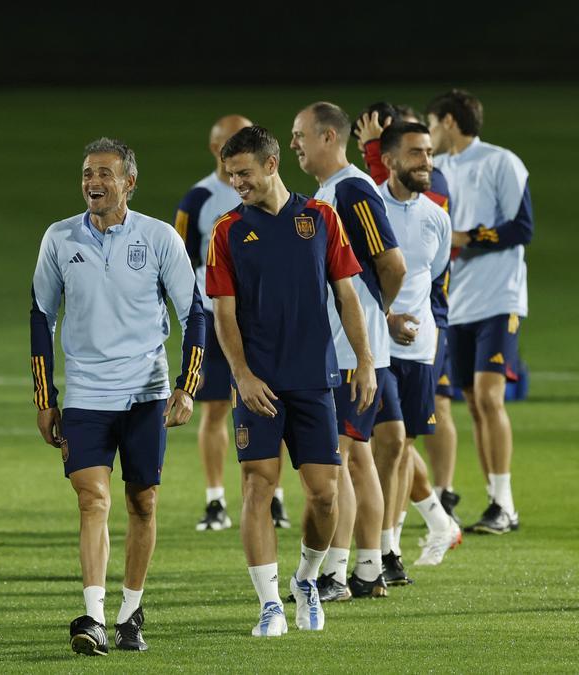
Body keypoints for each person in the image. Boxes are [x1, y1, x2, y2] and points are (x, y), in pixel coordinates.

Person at [31, 138, 204, 655]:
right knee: (93, 499)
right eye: (87, 173)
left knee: (142, 503)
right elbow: (41, 318)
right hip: (85, 394)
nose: (93, 183)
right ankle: (94, 615)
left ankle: (131, 611)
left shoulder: (159, 238)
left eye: (105, 174)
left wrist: (186, 386)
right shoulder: (59, 239)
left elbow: (195, 312)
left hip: (146, 394)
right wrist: (46, 396)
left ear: (129, 182)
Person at [208, 126, 375, 636]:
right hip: (258, 384)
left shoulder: (321, 218)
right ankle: (268, 605)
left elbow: (347, 296)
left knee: (324, 494)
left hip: (313, 379)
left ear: (272, 163)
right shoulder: (227, 230)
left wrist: (364, 360)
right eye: (230, 174)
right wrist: (241, 375)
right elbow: (224, 313)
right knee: (259, 485)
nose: (237, 182)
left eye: (245, 173)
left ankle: (305, 580)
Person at [291, 102, 405, 598]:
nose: (294, 143)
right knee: (357, 457)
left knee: (334, 460)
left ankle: (334, 574)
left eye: (300, 135)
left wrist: (375, 315)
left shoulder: (353, 189)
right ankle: (365, 568)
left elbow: (392, 263)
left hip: (348, 354)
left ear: (329, 137)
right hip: (346, 349)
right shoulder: (328, 192)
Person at [427, 89, 532, 535]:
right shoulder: (439, 171)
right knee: (473, 404)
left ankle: (504, 504)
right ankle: (494, 501)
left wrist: (467, 238)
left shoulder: (500, 161)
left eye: (432, 123)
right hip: (458, 304)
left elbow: (522, 225)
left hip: (498, 298)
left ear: (449, 122)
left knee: (490, 398)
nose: (430, 133)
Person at [354, 103, 462, 526]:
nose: (428, 162)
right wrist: (386, 318)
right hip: (372, 346)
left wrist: (432, 331)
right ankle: (367, 552)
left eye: (430, 153)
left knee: (400, 446)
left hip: (419, 347)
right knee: (377, 443)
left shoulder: (437, 216)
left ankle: (390, 545)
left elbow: (433, 281)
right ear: (391, 158)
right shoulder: (366, 207)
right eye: (417, 153)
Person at [175, 114, 258, 532]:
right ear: (215, 149)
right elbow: (179, 262)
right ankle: (215, 500)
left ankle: (271, 497)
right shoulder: (198, 200)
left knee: (267, 405)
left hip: (260, 320)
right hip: (214, 318)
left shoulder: (266, 196)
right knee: (213, 409)